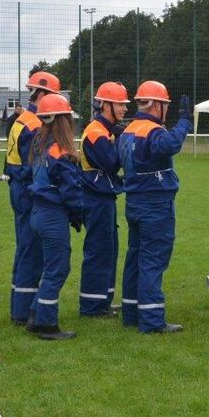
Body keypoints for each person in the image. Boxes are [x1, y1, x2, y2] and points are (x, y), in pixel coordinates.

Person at [117, 80, 192, 333]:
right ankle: (151, 320)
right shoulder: (152, 130)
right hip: (155, 204)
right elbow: (170, 144)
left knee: (135, 258)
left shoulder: (128, 130)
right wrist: (185, 121)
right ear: (158, 105)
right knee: (152, 261)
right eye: (166, 106)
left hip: (135, 202)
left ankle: (131, 313)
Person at [6, 71, 61, 325]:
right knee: (31, 250)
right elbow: (37, 166)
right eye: (51, 97)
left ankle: (19, 305)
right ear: (41, 94)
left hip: (19, 187)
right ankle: (23, 310)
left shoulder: (23, 119)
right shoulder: (36, 124)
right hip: (28, 190)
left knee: (25, 248)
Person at [27, 93, 82, 340]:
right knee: (57, 270)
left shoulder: (40, 147)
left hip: (38, 213)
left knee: (50, 268)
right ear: (63, 121)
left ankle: (34, 316)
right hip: (52, 216)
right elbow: (71, 192)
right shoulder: (62, 152)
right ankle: (47, 325)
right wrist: (78, 216)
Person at [79, 81, 129, 318]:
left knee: (109, 248)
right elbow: (111, 162)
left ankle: (104, 300)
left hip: (103, 197)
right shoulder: (96, 132)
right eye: (120, 104)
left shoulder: (107, 131)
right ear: (106, 105)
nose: (124, 109)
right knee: (99, 250)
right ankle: (91, 306)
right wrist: (121, 144)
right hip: (95, 198)